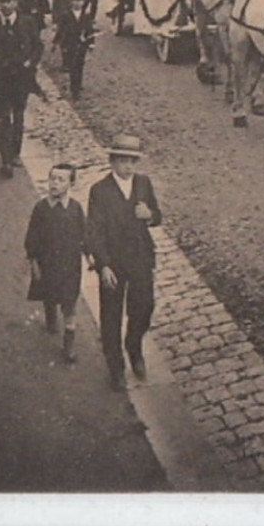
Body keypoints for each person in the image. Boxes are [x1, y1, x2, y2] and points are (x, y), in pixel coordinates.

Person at [86, 133, 162, 390]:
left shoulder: (143, 183)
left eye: (132, 161)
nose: (128, 166)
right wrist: (103, 265)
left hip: (140, 257)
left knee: (144, 307)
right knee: (111, 316)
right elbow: (94, 231)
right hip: (113, 263)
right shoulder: (100, 190)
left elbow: (158, 216)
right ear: (112, 161)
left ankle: (134, 346)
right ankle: (116, 367)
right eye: (123, 161)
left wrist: (149, 214)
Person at [25, 162, 87, 364]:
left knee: (69, 305)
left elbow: (84, 235)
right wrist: (34, 263)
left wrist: (90, 254)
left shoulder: (75, 208)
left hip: (70, 266)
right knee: (49, 293)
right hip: (47, 263)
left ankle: (68, 346)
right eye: (53, 178)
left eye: (61, 180)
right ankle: (50, 316)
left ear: (70, 184)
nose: (55, 183)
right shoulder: (41, 208)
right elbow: (32, 238)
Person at [0, 0, 42, 177]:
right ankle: (6, 161)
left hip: (21, 80)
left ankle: (16, 153)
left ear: (16, 2)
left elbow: (38, 46)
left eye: (9, 1)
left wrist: (31, 63)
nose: (6, 6)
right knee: (2, 119)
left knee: (18, 117)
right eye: (2, 2)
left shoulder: (28, 22)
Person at [57, 0, 96, 100]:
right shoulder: (66, 15)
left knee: (80, 65)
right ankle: (74, 89)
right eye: (75, 1)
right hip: (70, 44)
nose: (78, 3)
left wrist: (91, 43)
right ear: (71, 2)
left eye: (80, 1)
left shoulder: (86, 16)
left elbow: (90, 30)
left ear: (83, 2)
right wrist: (61, 44)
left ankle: (78, 85)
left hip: (82, 44)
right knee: (73, 66)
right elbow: (61, 31)